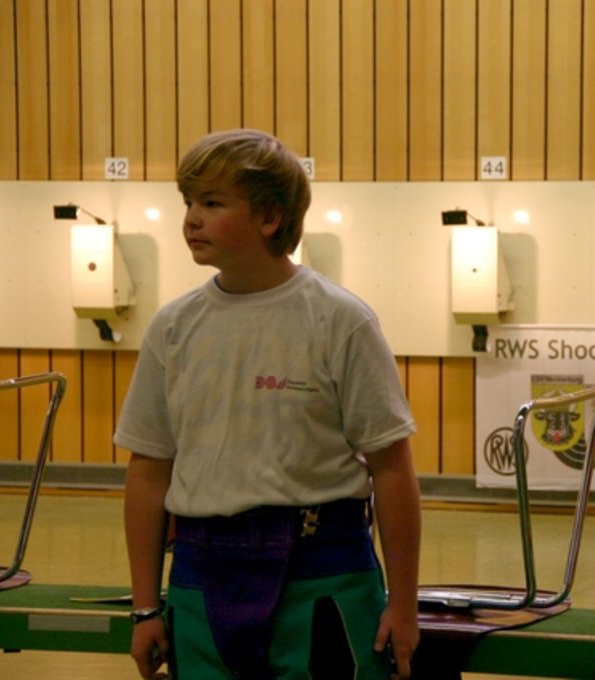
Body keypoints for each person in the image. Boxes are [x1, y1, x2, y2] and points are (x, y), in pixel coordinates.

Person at [117, 129, 421, 679]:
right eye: (188, 202)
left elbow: (392, 468)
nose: (191, 219)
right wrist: (144, 607)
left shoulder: (341, 320)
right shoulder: (172, 327)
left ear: (270, 218)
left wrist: (403, 605)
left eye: (212, 203)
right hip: (200, 577)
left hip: (323, 574)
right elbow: (148, 470)